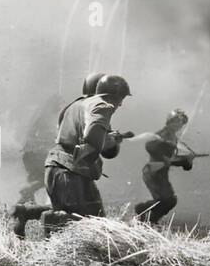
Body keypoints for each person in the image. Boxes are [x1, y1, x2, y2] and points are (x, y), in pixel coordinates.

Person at [11, 73, 105, 237]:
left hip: (51, 158)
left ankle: (26, 209)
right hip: (60, 161)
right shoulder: (85, 111)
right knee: (80, 210)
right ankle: (28, 206)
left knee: (73, 206)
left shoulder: (71, 110)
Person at [40, 74, 132, 235]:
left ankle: (28, 212)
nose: (121, 104)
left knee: (92, 221)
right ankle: (50, 219)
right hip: (71, 172)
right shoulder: (102, 106)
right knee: (90, 225)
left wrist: (109, 139)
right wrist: (109, 140)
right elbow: (93, 139)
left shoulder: (73, 106)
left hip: (58, 167)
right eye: (121, 98)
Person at [133, 109, 195, 225]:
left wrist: (187, 162)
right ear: (170, 122)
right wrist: (164, 157)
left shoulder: (173, 138)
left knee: (168, 200)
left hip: (161, 174)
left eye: (181, 123)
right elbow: (149, 145)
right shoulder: (163, 134)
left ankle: (146, 216)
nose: (179, 125)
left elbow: (173, 161)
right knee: (166, 200)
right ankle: (145, 215)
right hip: (153, 172)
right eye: (177, 122)